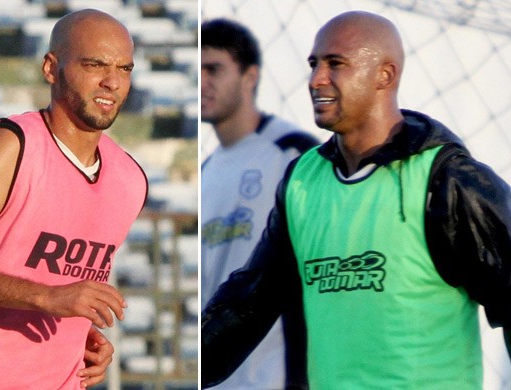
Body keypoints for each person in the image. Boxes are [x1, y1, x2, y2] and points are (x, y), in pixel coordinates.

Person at [201, 10, 511, 389]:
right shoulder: (303, 180)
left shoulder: (447, 180)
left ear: (385, 75)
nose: (317, 79)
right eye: (314, 64)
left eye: (336, 64)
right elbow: (246, 305)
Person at [0, 9, 147, 389]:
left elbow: (64, 279)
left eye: (124, 69)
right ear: (51, 68)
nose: (111, 82)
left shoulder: (130, 179)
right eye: (94, 65)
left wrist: (78, 336)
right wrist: (48, 298)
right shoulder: (12, 144)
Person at [200, 18, 318, 389]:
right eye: (196, 70)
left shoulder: (295, 155)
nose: (202, 82)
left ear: (250, 76)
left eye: (214, 69)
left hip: (278, 376)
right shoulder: (207, 169)